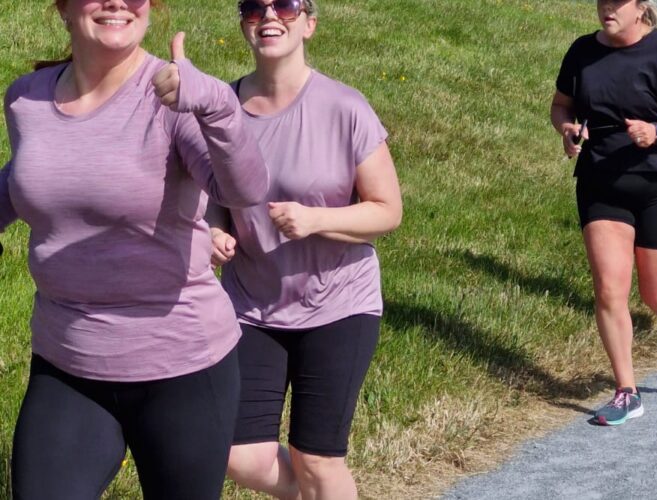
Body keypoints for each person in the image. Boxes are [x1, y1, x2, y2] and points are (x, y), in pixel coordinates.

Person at [0, 0, 269, 498]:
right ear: (61, 7)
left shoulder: (175, 97)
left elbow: (245, 192)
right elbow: (30, 181)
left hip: (182, 367)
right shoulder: (25, 99)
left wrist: (216, 106)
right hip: (67, 364)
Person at [206, 1, 402, 498]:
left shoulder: (344, 107)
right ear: (243, 25)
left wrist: (316, 220)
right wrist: (212, 230)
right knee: (238, 454)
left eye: (287, 6)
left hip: (339, 304)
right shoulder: (222, 109)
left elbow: (387, 211)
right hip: (251, 305)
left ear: (309, 24)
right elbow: (212, 198)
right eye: (254, 7)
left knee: (318, 459)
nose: (269, 15)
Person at [551, 0, 657, 426]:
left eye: (617, 2)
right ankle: (627, 391)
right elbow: (561, 105)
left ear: (641, 7)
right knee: (608, 288)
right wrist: (567, 129)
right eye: (602, 1)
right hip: (603, 182)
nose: (607, 8)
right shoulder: (582, 51)